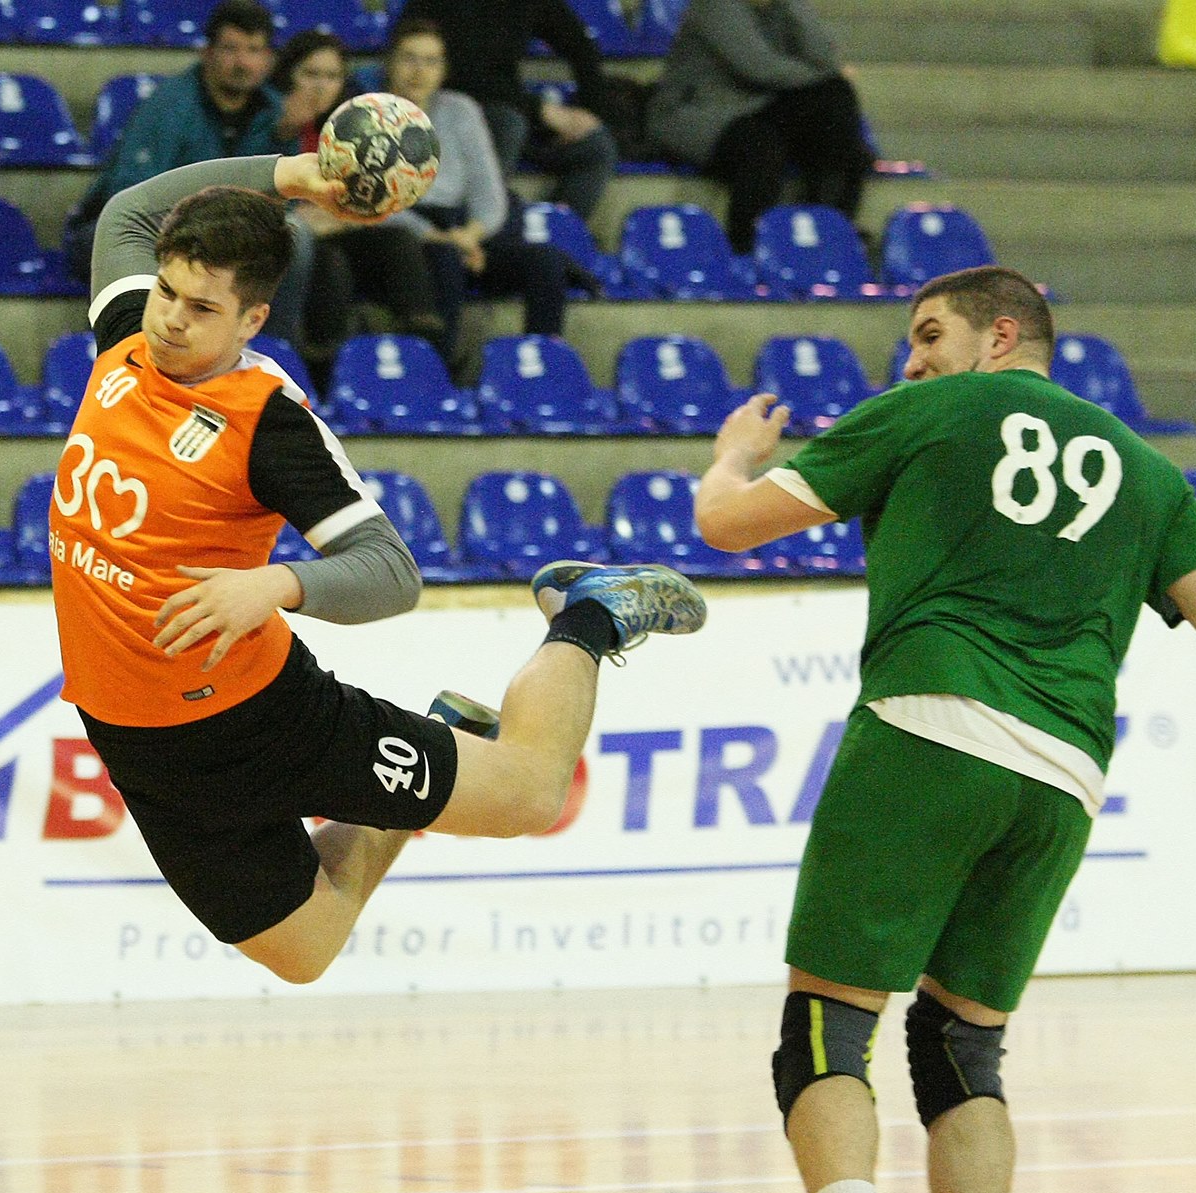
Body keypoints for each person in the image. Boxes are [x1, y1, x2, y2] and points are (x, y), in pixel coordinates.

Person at [692, 265, 1196, 1193]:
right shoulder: (1148, 472)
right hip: (1063, 777)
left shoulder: (928, 412)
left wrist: (731, 457)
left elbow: (725, 526)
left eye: (928, 333)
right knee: (961, 1045)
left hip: (928, 725)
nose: (912, 360)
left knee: (826, 1023)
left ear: (999, 336)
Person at [53, 149, 706, 985]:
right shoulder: (126, 339)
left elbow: (392, 571)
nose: (172, 320)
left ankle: (590, 612)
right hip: (137, 737)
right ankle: (445, 728)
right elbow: (128, 212)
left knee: (532, 792)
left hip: (262, 718)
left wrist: (278, 583)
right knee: (305, 951)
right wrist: (292, 173)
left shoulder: (267, 425)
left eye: (202, 308)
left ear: (252, 320)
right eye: (168, 293)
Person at [65, 0, 316, 342]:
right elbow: (131, 200)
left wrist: (286, 138)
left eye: (254, 50)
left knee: (297, 238)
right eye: (231, 49)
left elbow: (281, 203)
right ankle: (141, 352)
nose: (242, 62)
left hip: (216, 234)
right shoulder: (168, 106)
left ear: (269, 59)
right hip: (124, 229)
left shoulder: (277, 112)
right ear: (207, 53)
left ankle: (270, 352)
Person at [380, 17, 570, 365]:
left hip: (465, 231)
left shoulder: (461, 110)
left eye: (431, 61)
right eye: (409, 58)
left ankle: (543, 371)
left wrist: (469, 235)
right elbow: (369, 202)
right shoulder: (368, 115)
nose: (419, 71)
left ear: (443, 69)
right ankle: (440, 372)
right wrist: (441, 237)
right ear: (390, 63)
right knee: (445, 259)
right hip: (407, 234)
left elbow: (489, 192)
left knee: (547, 262)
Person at [270, 29, 449, 382]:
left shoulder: (354, 125)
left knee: (400, 244)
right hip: (286, 236)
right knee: (330, 264)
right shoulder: (268, 117)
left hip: (337, 226)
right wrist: (284, 131)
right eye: (310, 74)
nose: (321, 86)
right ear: (287, 76)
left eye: (332, 76)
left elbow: (375, 195)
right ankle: (322, 376)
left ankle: (426, 362)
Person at [646, 0, 874, 254]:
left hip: (756, 108)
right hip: (695, 114)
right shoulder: (715, 6)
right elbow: (758, 66)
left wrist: (794, 5)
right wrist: (828, 77)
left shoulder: (781, 9)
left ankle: (828, 230)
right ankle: (746, 248)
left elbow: (826, 58)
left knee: (836, 105)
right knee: (761, 147)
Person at [397, 0, 619, 221]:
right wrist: (539, 109)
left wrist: (589, 111)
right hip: (449, 115)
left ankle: (556, 230)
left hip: (513, 108)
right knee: (508, 123)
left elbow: (580, 45)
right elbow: (458, 75)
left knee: (595, 146)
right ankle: (478, 226)